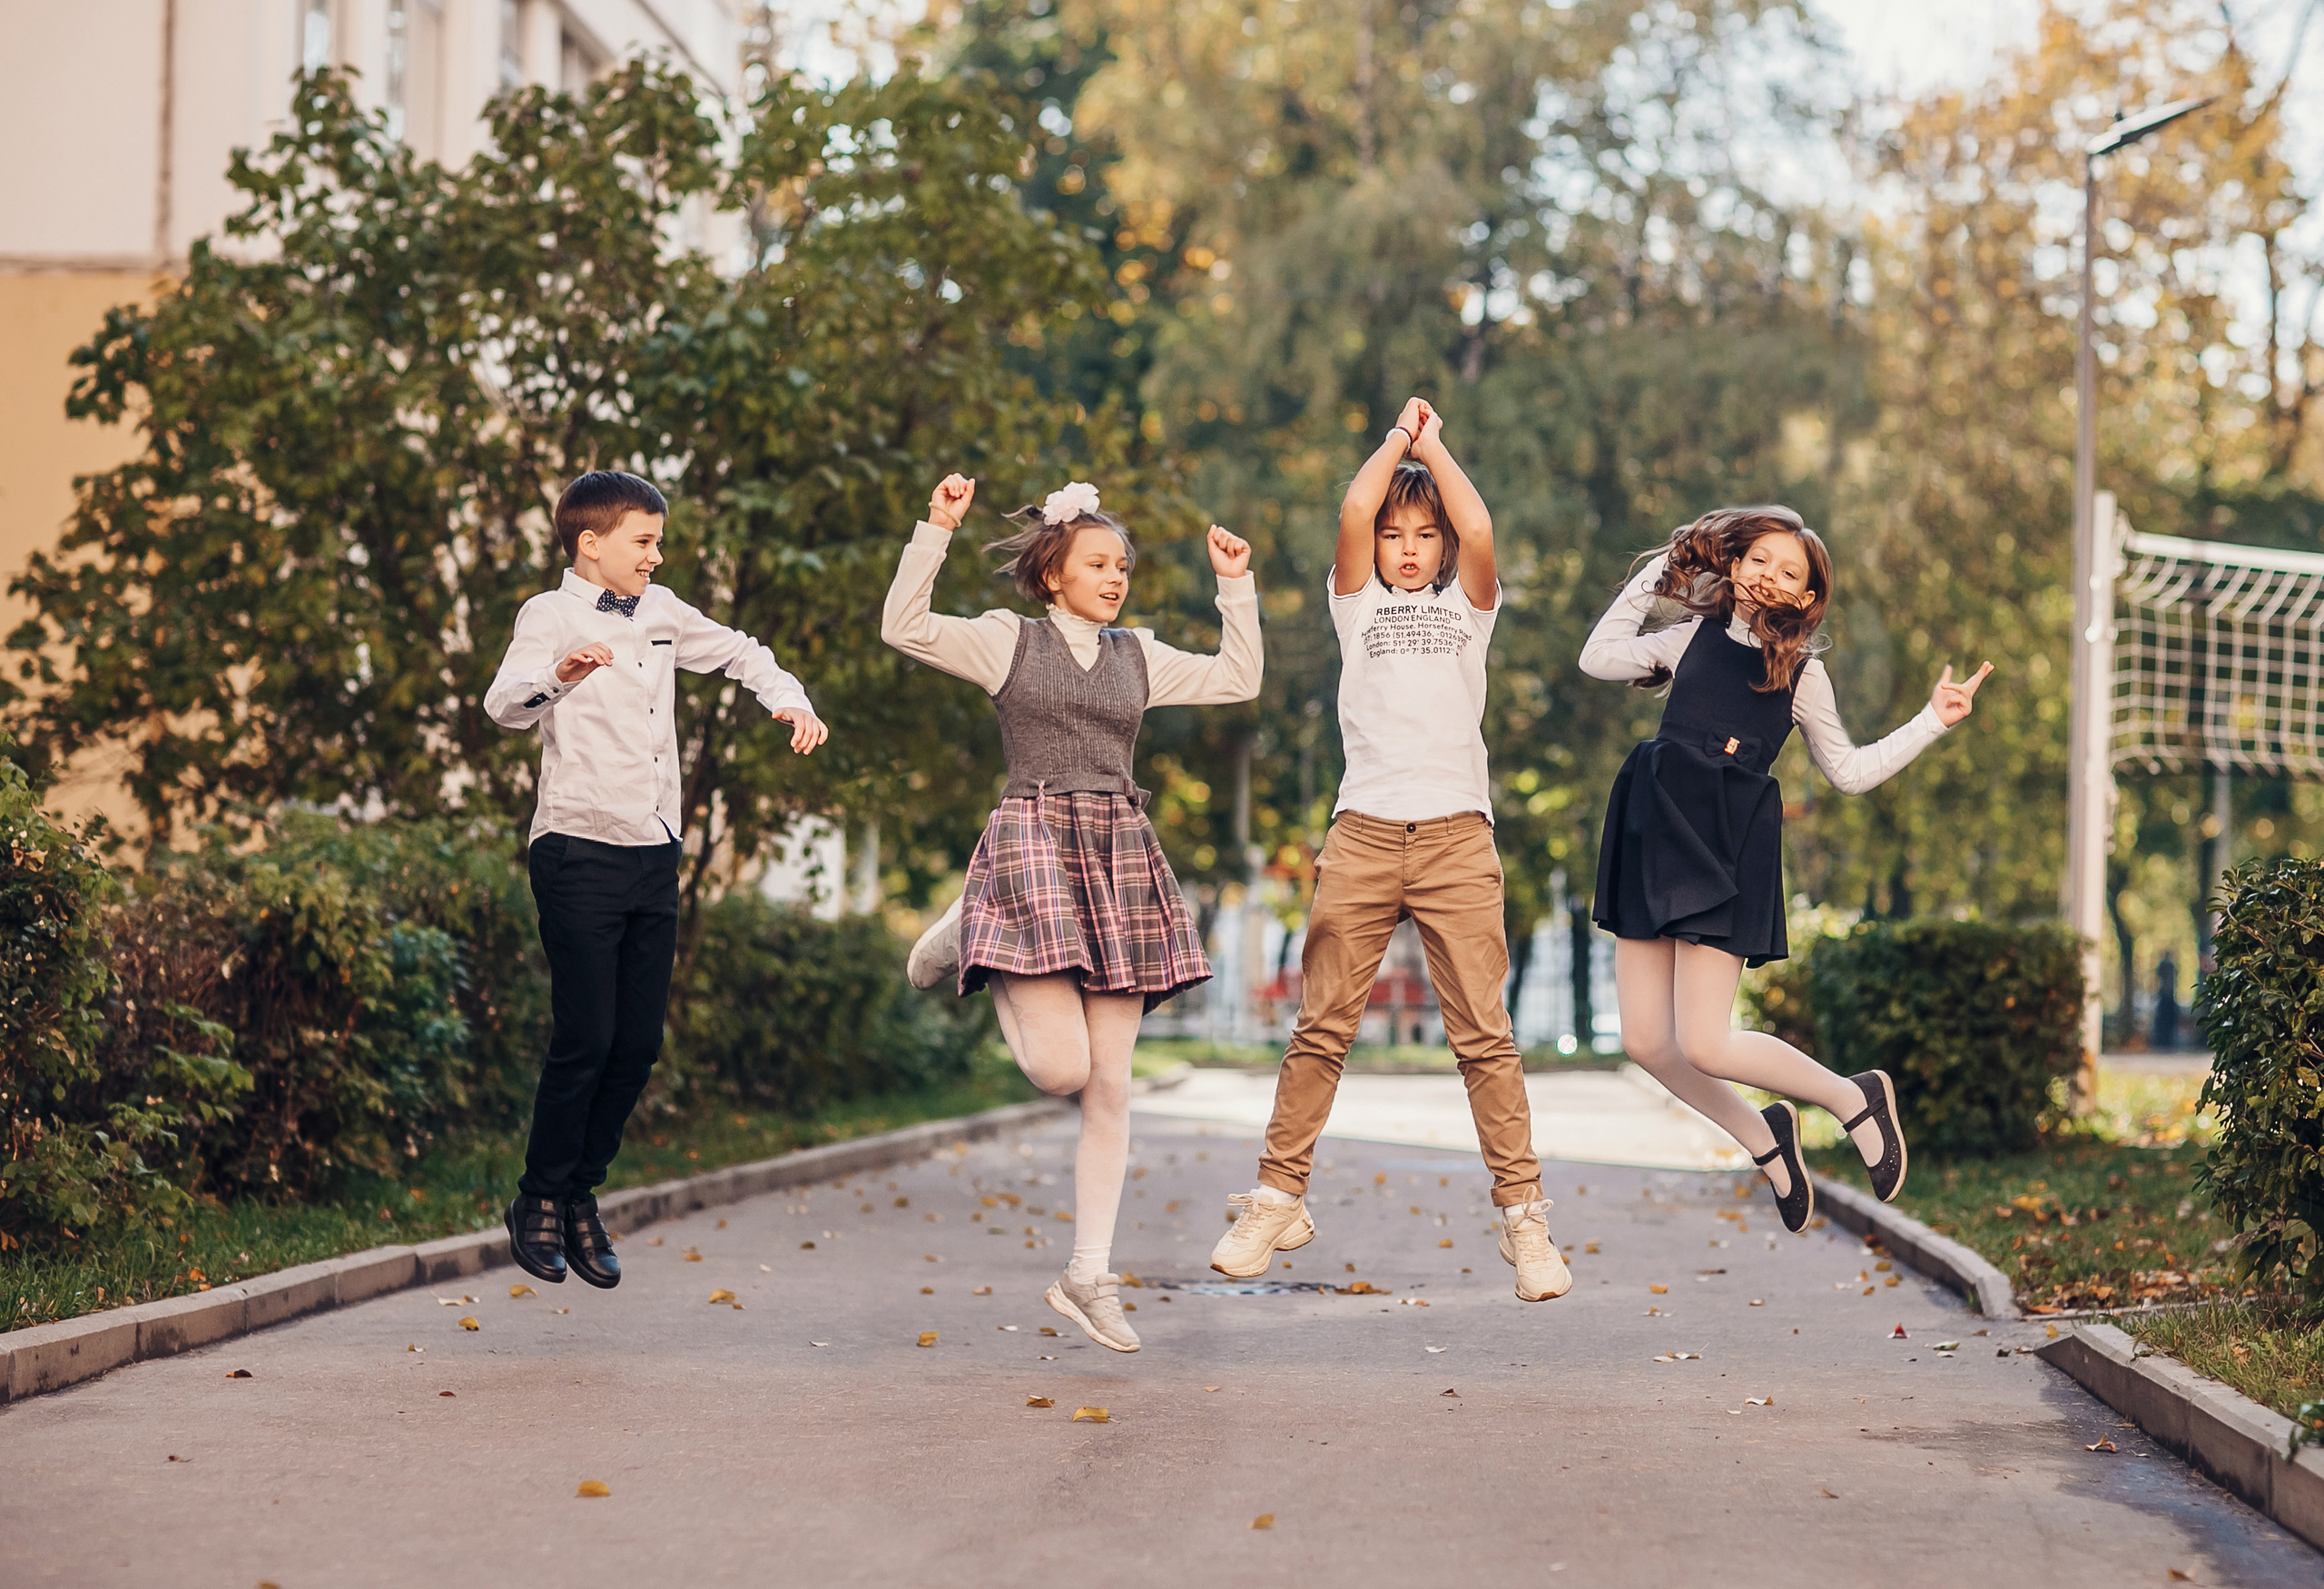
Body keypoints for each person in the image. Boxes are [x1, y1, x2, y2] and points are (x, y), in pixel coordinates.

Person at [883, 474, 1261, 1351]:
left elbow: (1238, 678)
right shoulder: (1004, 642)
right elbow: (904, 626)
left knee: (1111, 1084)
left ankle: (1088, 1274)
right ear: (1054, 573)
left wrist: (1234, 587)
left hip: (1118, 851)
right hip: (1033, 838)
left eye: (1123, 564)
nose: (1117, 576)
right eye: (1099, 562)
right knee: (1060, 1070)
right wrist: (934, 531)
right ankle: (972, 923)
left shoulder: (1140, 654)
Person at [1211, 399, 1571, 1304]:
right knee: (1320, 1027)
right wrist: (1390, 443)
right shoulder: (1355, 604)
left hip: (1456, 834)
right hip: (1364, 830)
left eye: (1424, 534)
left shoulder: (1471, 609)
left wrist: (1435, 445)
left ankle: (1524, 1218)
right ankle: (1275, 1196)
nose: (1407, 547)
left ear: (1445, 549)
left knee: (1483, 1037)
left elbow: (1480, 521)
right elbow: (1347, 511)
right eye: (1392, 534)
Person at [1579, 508, 1992, 1230]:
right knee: (1648, 1041)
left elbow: (1851, 772)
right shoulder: (1687, 640)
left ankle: (1850, 1096)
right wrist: (1662, 571)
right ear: (1735, 568)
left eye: (1789, 572)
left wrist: (1933, 720)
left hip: (1724, 841)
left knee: (1706, 1042)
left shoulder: (1803, 675)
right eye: (1758, 560)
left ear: (1805, 600)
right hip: (1654, 826)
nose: (1769, 575)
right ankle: (1764, 1138)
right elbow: (1598, 656)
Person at [485, 470, 827, 1288]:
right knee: (586, 1037)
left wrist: (788, 699)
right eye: (643, 541)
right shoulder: (549, 614)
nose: (656, 555)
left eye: (659, 541)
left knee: (637, 1045)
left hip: (652, 850)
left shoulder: (665, 611)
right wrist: (561, 676)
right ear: (590, 543)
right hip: (576, 846)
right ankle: (540, 1197)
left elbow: (743, 653)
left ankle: (579, 1197)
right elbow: (503, 705)